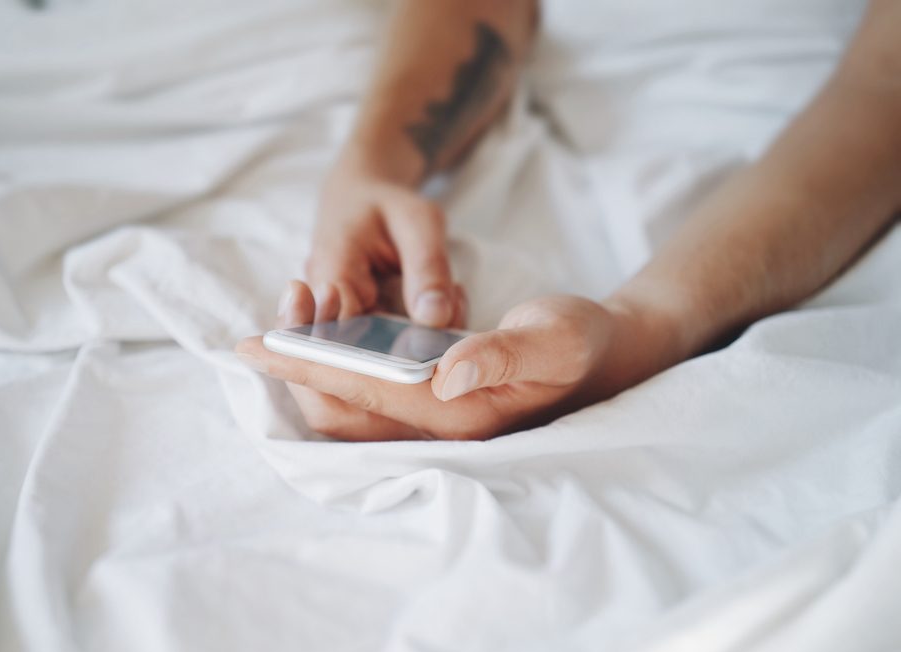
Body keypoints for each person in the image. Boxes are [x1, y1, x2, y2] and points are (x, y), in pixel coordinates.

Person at [236, 0, 901, 441]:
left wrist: (646, 328)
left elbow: (884, 84)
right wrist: (372, 167)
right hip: (542, 136)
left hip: (800, 194)